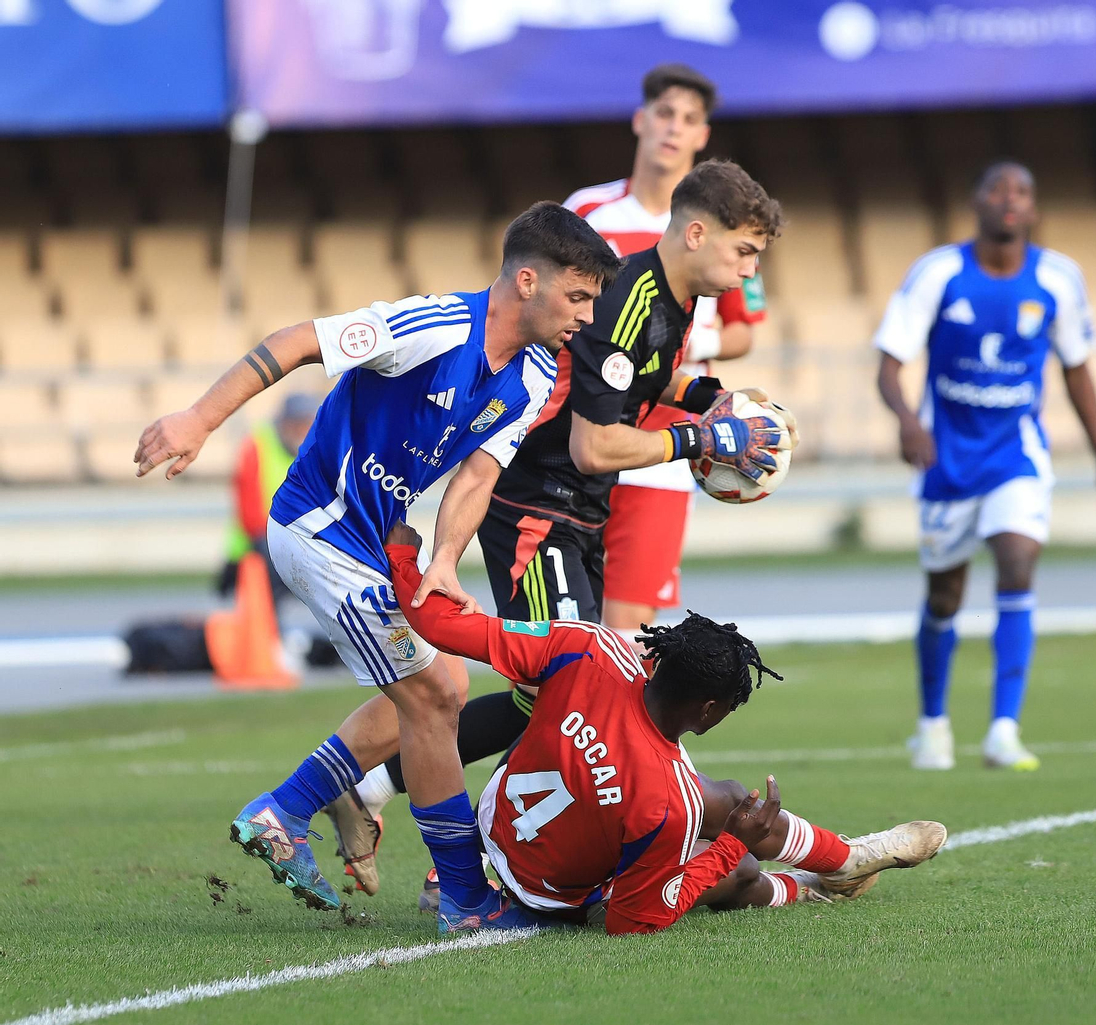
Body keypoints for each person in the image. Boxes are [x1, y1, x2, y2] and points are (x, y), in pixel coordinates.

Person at [133, 202, 622, 931]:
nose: (586, 316)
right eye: (579, 296)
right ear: (528, 281)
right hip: (316, 528)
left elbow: (477, 475)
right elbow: (297, 340)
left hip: (372, 543)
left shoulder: (533, 373)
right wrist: (199, 419)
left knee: (445, 683)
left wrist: (447, 561)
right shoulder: (432, 327)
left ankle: (285, 808)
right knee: (433, 698)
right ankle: (461, 896)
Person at [328, 159, 791, 899]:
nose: (751, 268)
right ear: (698, 232)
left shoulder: (667, 302)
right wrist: (701, 442)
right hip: (538, 506)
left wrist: (710, 397)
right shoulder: (632, 299)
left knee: (539, 697)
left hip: (578, 513)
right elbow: (595, 445)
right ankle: (465, 862)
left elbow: (647, 378)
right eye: (745, 250)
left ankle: (375, 787)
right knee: (567, 694)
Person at [384, 522, 947, 934]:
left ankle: (845, 861)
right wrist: (729, 848)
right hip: (550, 894)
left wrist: (403, 555)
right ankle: (809, 887)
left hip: (499, 818)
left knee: (722, 800)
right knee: (738, 866)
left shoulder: (588, 644)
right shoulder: (666, 797)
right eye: (729, 705)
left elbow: (444, 625)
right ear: (707, 710)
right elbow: (633, 920)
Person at [874, 161, 1096, 773]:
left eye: (1022, 192)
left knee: (1018, 561)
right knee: (946, 593)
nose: (1010, 200)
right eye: (998, 189)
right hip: (946, 458)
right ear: (977, 203)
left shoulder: (1060, 278)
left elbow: (1077, 370)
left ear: (1034, 210)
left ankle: (1003, 730)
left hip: (1017, 454)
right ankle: (933, 725)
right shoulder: (939, 273)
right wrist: (909, 422)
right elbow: (889, 363)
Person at [565, 63, 768, 639]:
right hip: (584, 427)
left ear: (704, 135)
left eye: (689, 119)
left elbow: (744, 331)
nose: (674, 129)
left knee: (626, 630)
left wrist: (680, 347)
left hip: (667, 438)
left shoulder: (725, 229)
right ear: (640, 120)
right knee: (564, 630)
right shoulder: (589, 212)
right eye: (664, 114)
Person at [219, 392, 317, 601]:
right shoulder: (258, 444)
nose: (304, 431)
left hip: (294, 542)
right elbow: (251, 515)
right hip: (255, 546)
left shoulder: (316, 448)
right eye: (300, 424)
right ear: (287, 423)